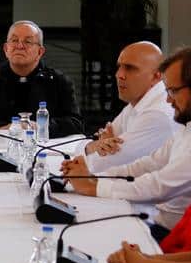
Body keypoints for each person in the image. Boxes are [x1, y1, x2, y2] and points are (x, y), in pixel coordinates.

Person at [65, 47, 191, 237]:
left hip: (171, 233)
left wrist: (94, 185)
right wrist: (92, 177)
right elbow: (148, 165)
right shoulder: (185, 125)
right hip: (159, 220)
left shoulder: (159, 114)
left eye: (172, 91)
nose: (168, 99)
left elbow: (160, 186)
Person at [62, 42, 179, 174]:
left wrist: (78, 161)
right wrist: (94, 146)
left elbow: (107, 166)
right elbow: (100, 145)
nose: (119, 75)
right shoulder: (137, 103)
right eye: (119, 67)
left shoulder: (158, 114)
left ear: (157, 76)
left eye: (130, 68)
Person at [0, 20, 83, 137]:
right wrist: (4, 129)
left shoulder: (59, 82)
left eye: (28, 42)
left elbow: (75, 123)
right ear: (6, 49)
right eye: (14, 40)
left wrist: (42, 126)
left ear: (40, 52)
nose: (20, 46)